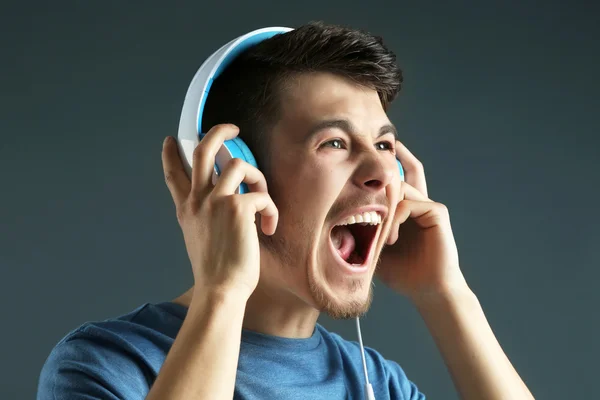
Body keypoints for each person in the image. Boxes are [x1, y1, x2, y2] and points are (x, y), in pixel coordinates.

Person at [37, 21, 535, 400]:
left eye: (385, 146)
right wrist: (222, 293)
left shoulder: (375, 382)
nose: (383, 174)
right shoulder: (107, 365)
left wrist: (446, 296)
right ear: (236, 170)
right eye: (335, 142)